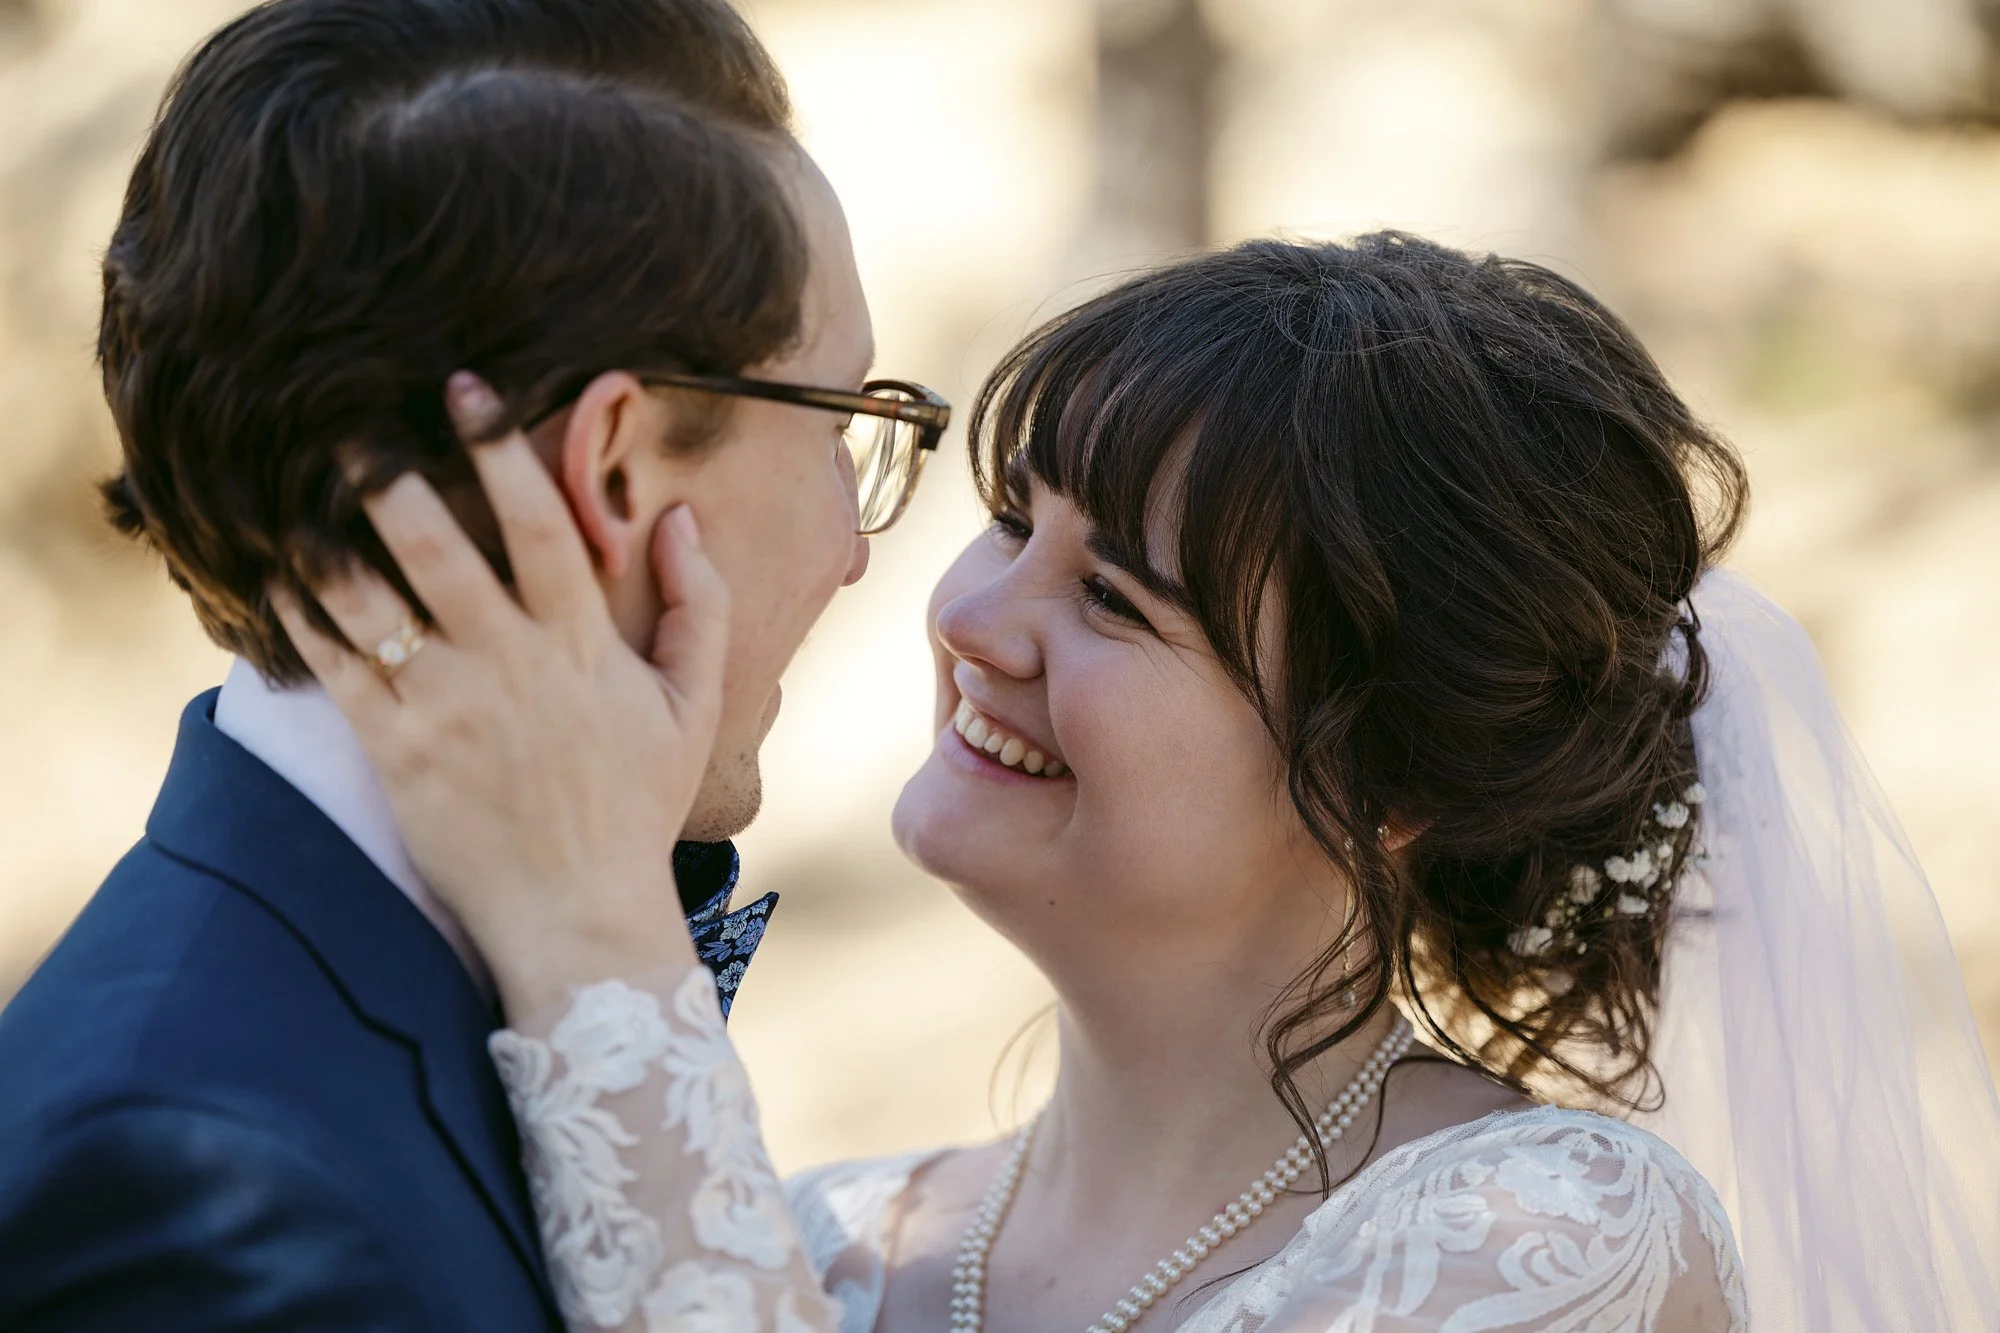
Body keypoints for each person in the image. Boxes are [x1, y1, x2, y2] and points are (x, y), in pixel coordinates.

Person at [300, 233, 2000, 1332]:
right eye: (1005, 525)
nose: (972, 622)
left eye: (1113, 599)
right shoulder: (809, 1239)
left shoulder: (1549, 1238)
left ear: (1395, 774)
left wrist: (594, 932)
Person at [0, 1, 939, 1327]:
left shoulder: (332, 995)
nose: (855, 548)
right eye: (842, 418)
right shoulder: (198, 1194)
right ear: (613, 469)